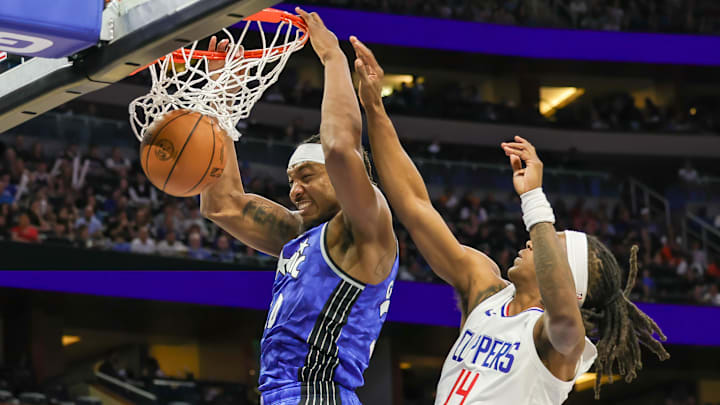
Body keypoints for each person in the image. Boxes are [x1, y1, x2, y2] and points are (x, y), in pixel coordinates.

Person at [350, 36, 669, 403]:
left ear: (568, 281)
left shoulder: (560, 345)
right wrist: (374, 107)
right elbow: (415, 205)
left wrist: (534, 201)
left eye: (551, 244)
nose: (533, 240)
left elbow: (565, 316)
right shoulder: (483, 287)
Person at [200, 9, 397, 404]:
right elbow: (222, 205)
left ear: (344, 175)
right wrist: (220, 102)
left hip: (318, 394)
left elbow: (341, 147)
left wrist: (332, 58)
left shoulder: (366, 226)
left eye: (306, 176)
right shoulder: (303, 235)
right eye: (291, 180)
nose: (294, 191)